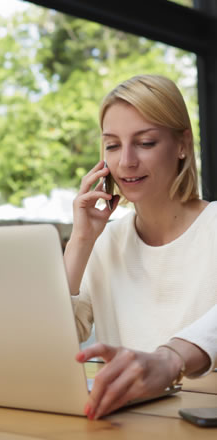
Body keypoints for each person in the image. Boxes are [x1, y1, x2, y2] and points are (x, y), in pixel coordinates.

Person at [63, 74, 217, 420]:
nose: (126, 162)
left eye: (145, 143)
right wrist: (81, 241)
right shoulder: (106, 242)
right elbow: (49, 340)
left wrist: (169, 359)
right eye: (113, 145)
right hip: (129, 422)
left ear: (182, 145)